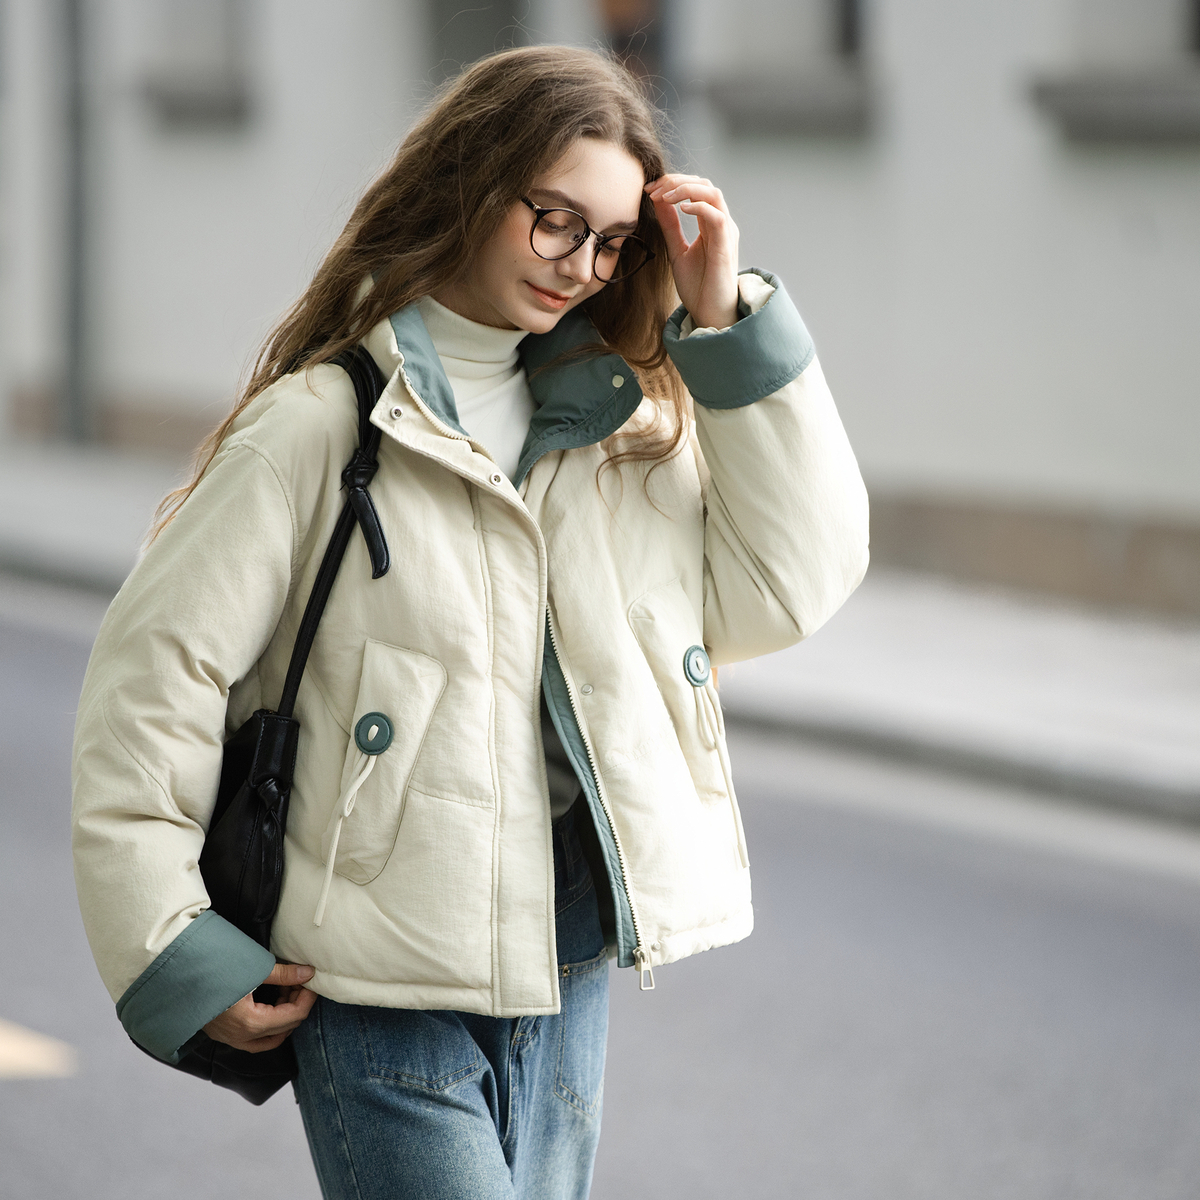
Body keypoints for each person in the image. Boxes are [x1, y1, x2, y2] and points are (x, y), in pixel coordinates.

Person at [71, 44, 869, 1200]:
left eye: (609, 242)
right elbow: (154, 685)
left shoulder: (622, 428)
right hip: (374, 981)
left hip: (572, 958)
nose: (583, 267)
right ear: (470, 181)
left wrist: (726, 321)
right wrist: (169, 942)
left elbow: (794, 583)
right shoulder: (322, 427)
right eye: (556, 222)